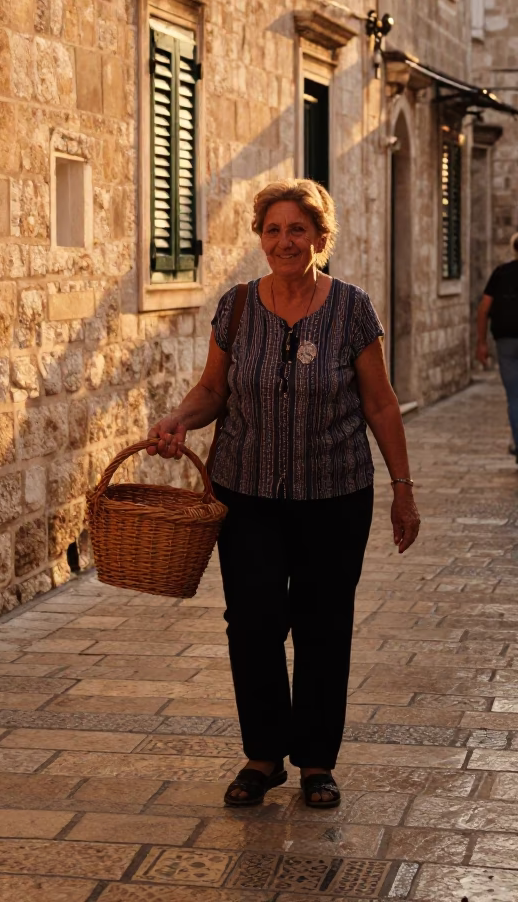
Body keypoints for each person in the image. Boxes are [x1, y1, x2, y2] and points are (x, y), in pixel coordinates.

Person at [147, 179, 420, 810]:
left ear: (322, 239)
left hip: (335, 494)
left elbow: (380, 403)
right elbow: (213, 391)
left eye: (298, 229)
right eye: (273, 230)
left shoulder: (353, 309)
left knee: (324, 626)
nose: (284, 241)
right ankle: (263, 756)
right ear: (259, 238)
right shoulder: (236, 307)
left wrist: (403, 490)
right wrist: (177, 420)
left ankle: (317, 762)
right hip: (247, 496)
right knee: (252, 623)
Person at [476, 231, 518, 460]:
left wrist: (481, 343)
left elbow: (484, 308)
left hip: (506, 342)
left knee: (514, 397)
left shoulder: (501, 274)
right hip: (507, 342)